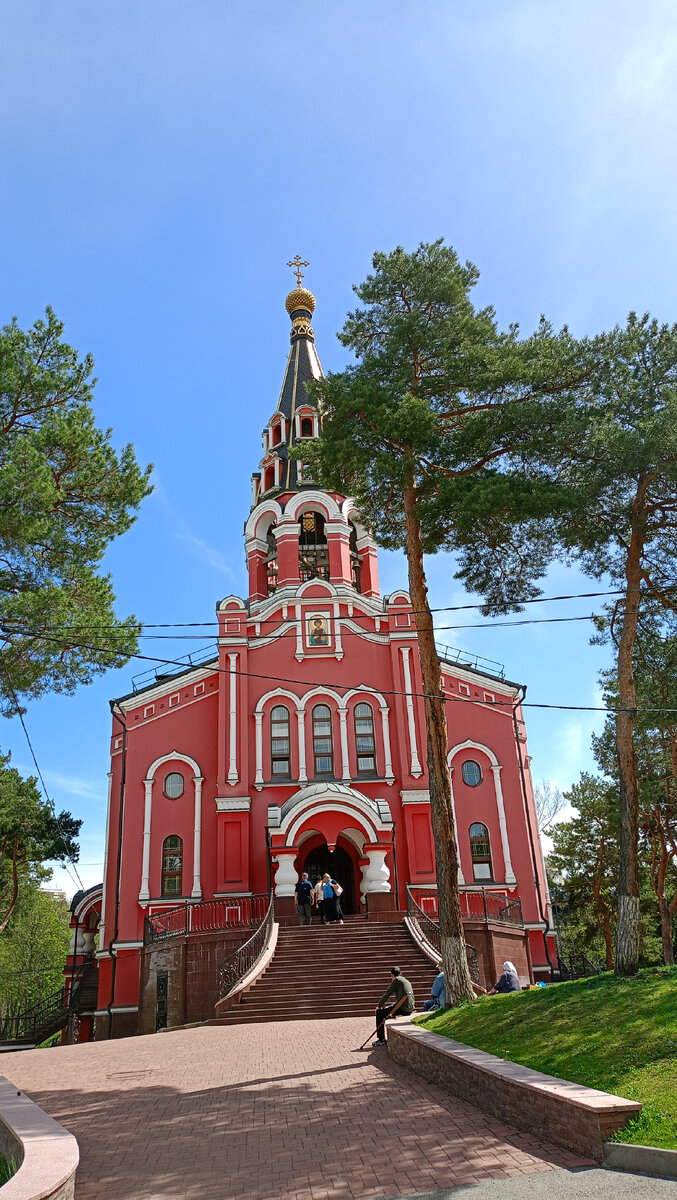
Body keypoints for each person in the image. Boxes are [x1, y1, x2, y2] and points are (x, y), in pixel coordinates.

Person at [373, 966, 415, 1046]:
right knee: (387, 1011)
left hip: (403, 1008)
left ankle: (381, 1039)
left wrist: (379, 1006)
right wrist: (389, 1007)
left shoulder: (397, 980)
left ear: (392, 975)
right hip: (409, 1007)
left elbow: (387, 993)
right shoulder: (406, 980)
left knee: (379, 1013)